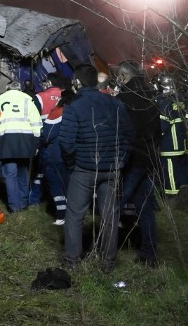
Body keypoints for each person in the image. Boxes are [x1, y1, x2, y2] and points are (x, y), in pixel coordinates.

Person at [59, 64, 134, 272]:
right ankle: (108, 262)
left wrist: (73, 165)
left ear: (77, 82)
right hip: (112, 169)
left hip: (84, 169)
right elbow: (128, 135)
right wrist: (121, 160)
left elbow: (66, 142)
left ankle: (72, 261)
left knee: (75, 215)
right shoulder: (116, 104)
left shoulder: (74, 106)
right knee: (110, 216)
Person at [115, 60, 162, 266]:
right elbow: (157, 130)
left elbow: (120, 130)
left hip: (131, 157)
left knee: (115, 204)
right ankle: (149, 254)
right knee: (145, 208)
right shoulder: (150, 97)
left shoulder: (123, 99)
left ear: (124, 77)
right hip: (149, 157)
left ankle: (105, 252)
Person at [0, 80, 43, 213]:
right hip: (25, 140)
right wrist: (36, 143)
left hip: (6, 141)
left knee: (10, 174)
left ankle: (14, 207)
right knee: (23, 172)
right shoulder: (28, 100)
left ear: (7, 88)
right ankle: (24, 203)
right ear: (19, 89)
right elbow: (37, 123)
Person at [36, 74, 71, 225]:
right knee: (68, 182)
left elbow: (47, 134)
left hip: (54, 153)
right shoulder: (77, 111)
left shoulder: (57, 112)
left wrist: (39, 143)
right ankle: (72, 212)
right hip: (71, 154)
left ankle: (61, 214)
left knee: (55, 182)